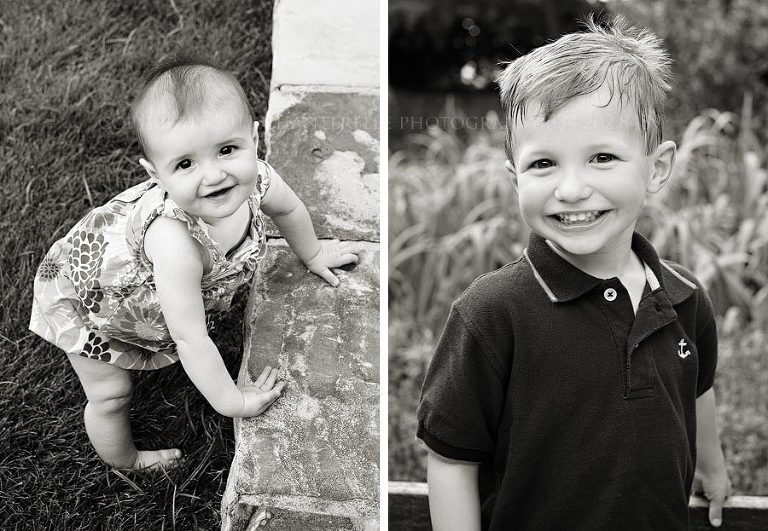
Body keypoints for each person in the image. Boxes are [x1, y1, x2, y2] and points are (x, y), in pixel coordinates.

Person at [417, 16, 730, 530]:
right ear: (514, 176)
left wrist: (712, 469)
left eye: (602, 157)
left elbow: (698, 389)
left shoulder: (683, 297)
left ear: (656, 168)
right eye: (544, 165)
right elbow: (452, 459)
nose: (571, 188)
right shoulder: (492, 313)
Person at [29, 53, 359, 471]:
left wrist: (312, 252)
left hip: (151, 295)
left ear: (254, 140)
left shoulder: (257, 177)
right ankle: (125, 460)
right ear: (156, 174)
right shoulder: (174, 243)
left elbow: (289, 210)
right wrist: (232, 400)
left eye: (226, 149)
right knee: (111, 395)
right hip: (91, 303)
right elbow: (191, 338)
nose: (214, 175)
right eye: (185, 163)